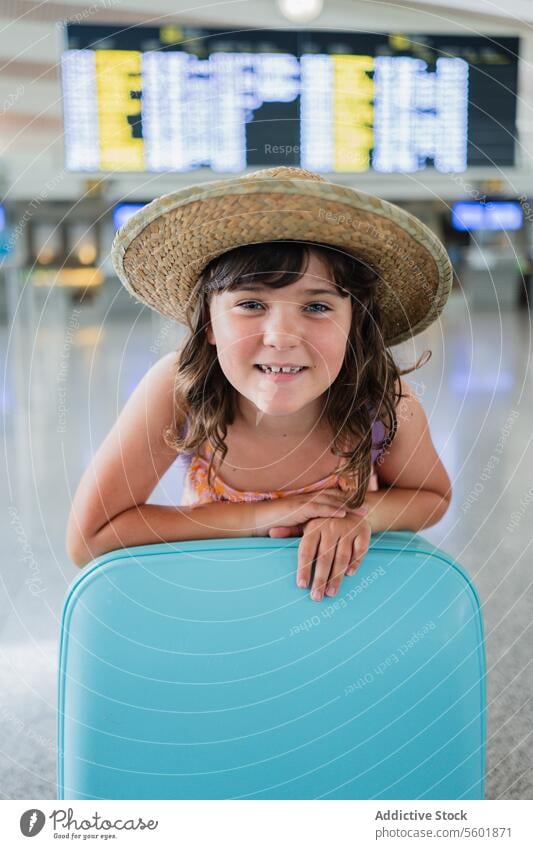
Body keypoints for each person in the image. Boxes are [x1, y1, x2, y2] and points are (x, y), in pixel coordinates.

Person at [66, 166, 452, 602]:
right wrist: (268, 514)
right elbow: (91, 536)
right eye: (251, 303)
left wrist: (358, 514)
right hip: (221, 607)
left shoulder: (380, 401)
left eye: (318, 306)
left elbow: (433, 496)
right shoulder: (181, 390)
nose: (283, 336)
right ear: (207, 322)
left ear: (354, 322)